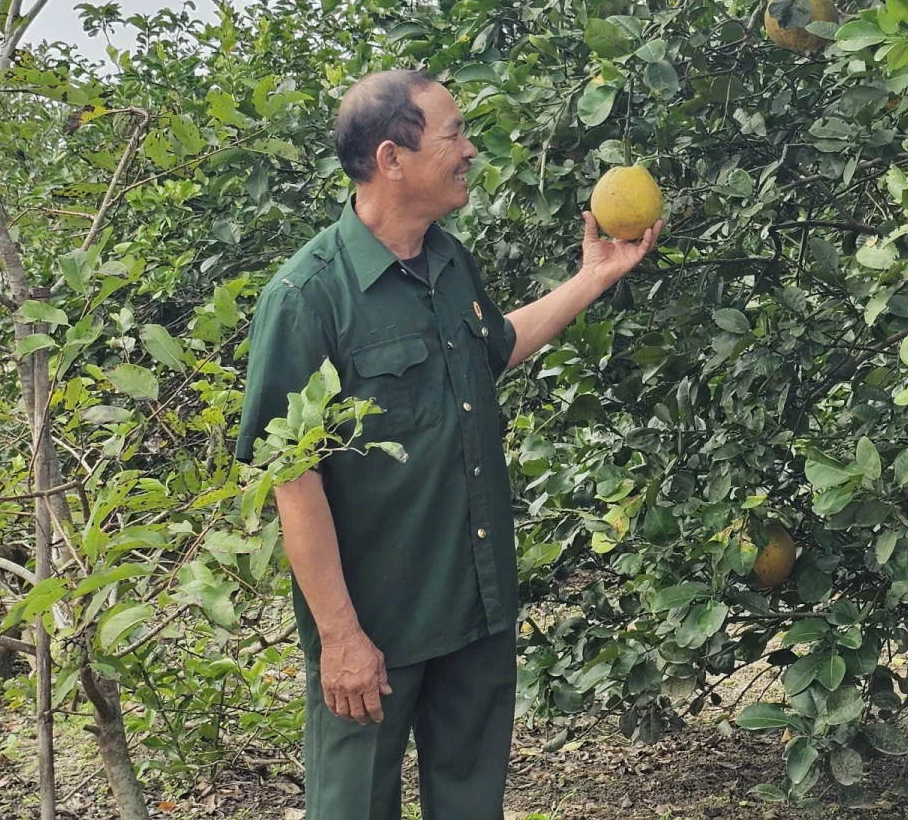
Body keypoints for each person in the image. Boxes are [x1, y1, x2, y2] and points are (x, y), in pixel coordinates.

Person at [234, 70, 661, 820]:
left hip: (473, 605)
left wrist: (594, 278)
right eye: (454, 134)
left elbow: (495, 347)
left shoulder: (449, 260)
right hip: (377, 627)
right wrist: (339, 636)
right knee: (353, 809)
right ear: (392, 158)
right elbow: (289, 477)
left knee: (470, 805)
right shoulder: (307, 297)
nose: (470, 149)